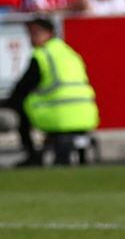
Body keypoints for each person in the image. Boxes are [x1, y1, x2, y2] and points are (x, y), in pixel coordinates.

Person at [1, 18, 98, 167]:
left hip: (58, 113)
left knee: (19, 103)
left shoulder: (42, 55)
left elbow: (22, 87)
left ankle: (32, 156)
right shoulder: (70, 53)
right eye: (30, 33)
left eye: (36, 33)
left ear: (50, 33)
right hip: (87, 112)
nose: (32, 38)